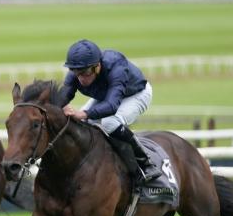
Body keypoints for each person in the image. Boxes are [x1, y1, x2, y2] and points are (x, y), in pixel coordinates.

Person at [60, 39, 162, 183]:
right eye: (76, 72)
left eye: (85, 72)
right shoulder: (76, 73)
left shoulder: (116, 67)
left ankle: (146, 164)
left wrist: (83, 113)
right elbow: (63, 97)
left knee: (110, 122)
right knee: (80, 122)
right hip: (106, 94)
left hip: (136, 94)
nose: (81, 78)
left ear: (97, 66)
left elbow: (112, 105)